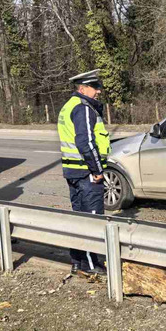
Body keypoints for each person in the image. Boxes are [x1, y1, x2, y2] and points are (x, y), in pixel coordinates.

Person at [57, 69, 112, 275]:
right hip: (86, 173)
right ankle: (91, 264)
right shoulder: (83, 108)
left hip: (73, 171)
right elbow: (86, 142)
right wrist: (97, 169)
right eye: (95, 87)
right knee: (92, 218)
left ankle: (78, 261)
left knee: (79, 217)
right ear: (83, 88)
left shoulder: (69, 106)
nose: (98, 91)